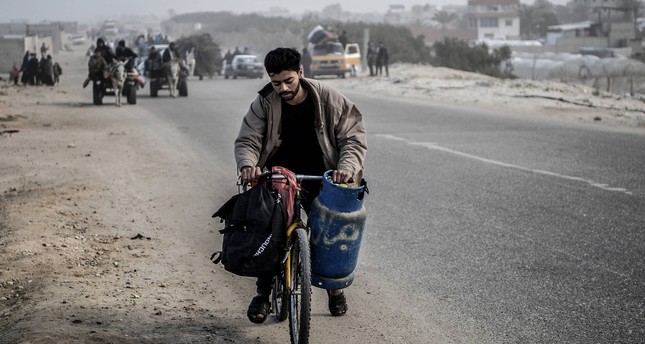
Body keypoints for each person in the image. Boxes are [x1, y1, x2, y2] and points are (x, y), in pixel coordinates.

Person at [234, 47, 367, 323]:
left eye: (288, 81)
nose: (282, 88)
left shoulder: (329, 99)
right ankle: (262, 293)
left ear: (301, 74)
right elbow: (248, 139)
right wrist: (248, 165)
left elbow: (353, 138)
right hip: (280, 175)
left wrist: (346, 168)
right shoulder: (265, 103)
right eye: (276, 83)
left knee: (332, 231)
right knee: (268, 231)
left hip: (324, 174)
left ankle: (336, 289)